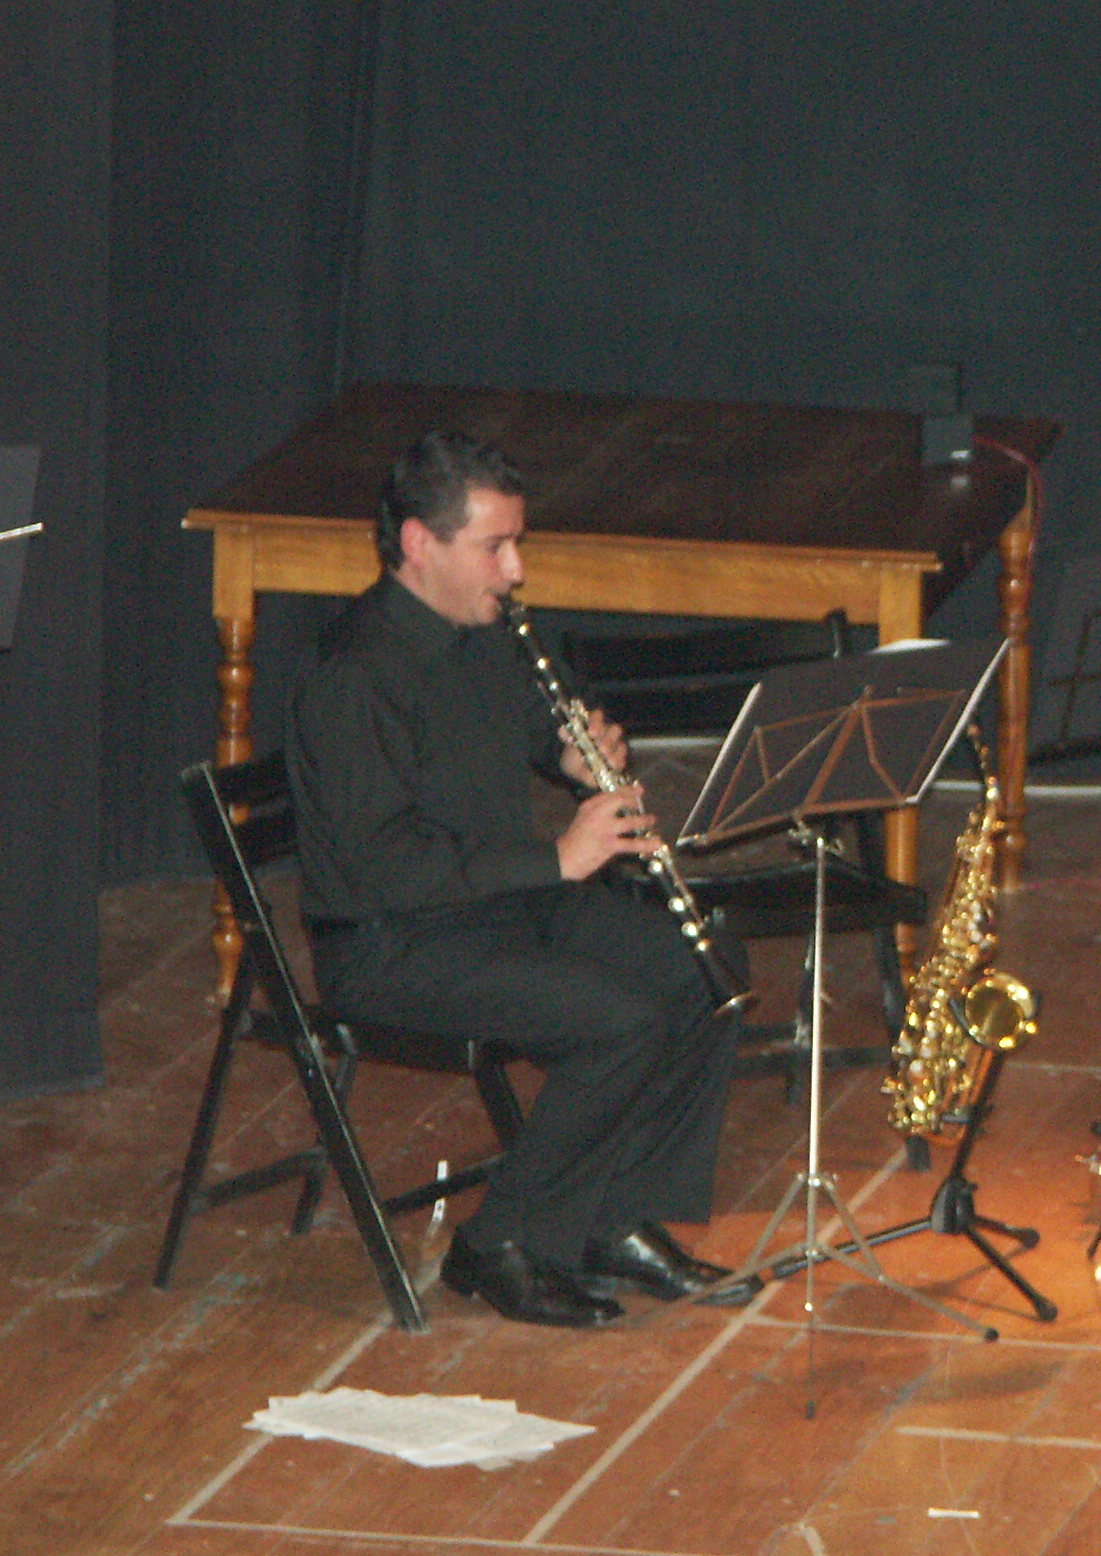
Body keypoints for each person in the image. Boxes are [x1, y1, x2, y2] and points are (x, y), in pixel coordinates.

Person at [287, 431, 754, 1326]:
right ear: (419, 544)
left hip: (502, 905)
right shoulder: (354, 677)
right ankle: (500, 1243)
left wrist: (574, 757)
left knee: (704, 970)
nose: (516, 569)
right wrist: (559, 859)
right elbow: (383, 867)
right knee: (620, 1022)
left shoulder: (490, 635)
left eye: (517, 543)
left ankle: (612, 1221)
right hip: (394, 944)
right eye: (495, 546)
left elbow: (531, 728)